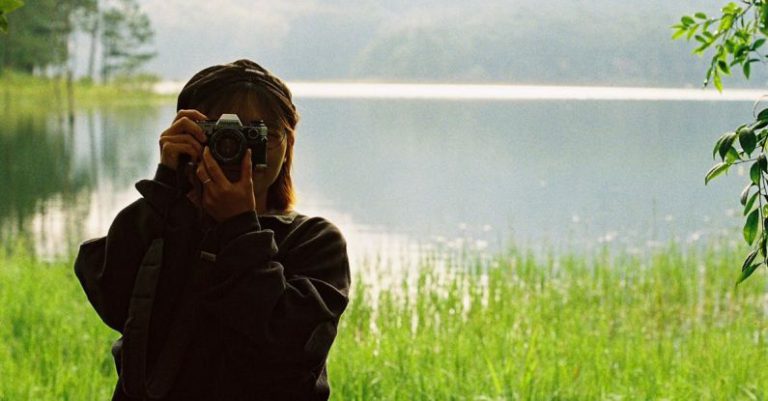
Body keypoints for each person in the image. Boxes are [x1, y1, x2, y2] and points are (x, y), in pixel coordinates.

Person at [74, 59, 351, 401]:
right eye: (220, 134)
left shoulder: (315, 241)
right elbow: (115, 301)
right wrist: (166, 189)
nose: (238, 149)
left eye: (258, 134)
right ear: (188, 135)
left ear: (288, 144)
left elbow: (290, 349)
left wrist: (239, 227)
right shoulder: (163, 222)